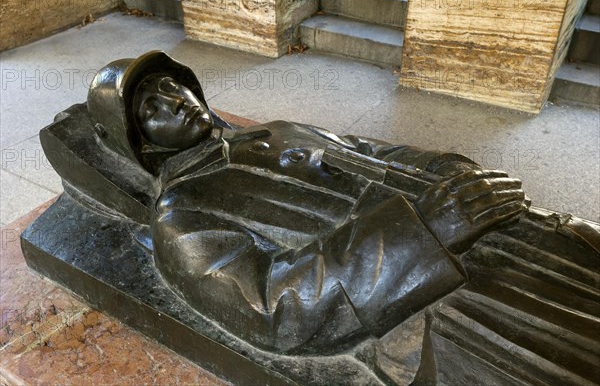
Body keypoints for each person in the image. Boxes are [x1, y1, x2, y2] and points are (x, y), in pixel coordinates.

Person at [66, 52, 597, 384]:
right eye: (149, 109)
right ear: (142, 146)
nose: (173, 103)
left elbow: (378, 153)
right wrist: (427, 230)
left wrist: (449, 172)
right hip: (437, 301)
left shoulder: (273, 129)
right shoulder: (182, 215)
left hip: (500, 232)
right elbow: (271, 308)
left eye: (169, 87)